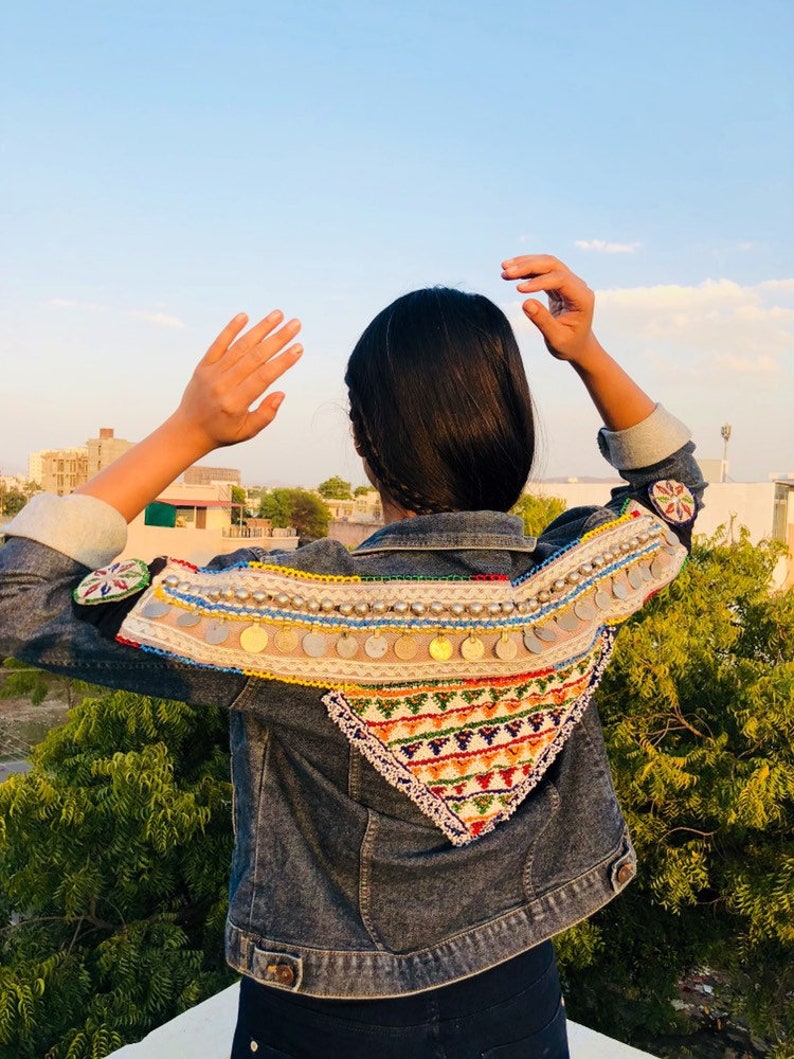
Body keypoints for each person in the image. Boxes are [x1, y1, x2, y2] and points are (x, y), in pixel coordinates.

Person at [0, 255, 705, 1058]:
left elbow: (21, 596)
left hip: (328, 1019)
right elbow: (671, 494)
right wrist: (587, 350)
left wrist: (190, 429)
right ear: (514, 424)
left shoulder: (287, 609)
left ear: (365, 443)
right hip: (519, 999)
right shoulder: (573, 582)